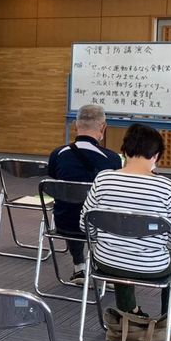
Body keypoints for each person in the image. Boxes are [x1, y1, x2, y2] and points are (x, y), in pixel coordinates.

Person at [80, 123, 171, 318]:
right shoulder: (167, 188)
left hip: (107, 261)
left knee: (118, 244)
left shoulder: (103, 179)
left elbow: (85, 225)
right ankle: (169, 322)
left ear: (124, 151)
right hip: (152, 266)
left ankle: (129, 312)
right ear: (156, 156)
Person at [48, 104, 121, 283]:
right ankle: (107, 271)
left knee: (73, 206)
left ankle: (79, 267)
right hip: (99, 226)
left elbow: (54, 178)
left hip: (64, 223)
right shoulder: (112, 159)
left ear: (75, 125)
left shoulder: (58, 154)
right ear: (103, 127)